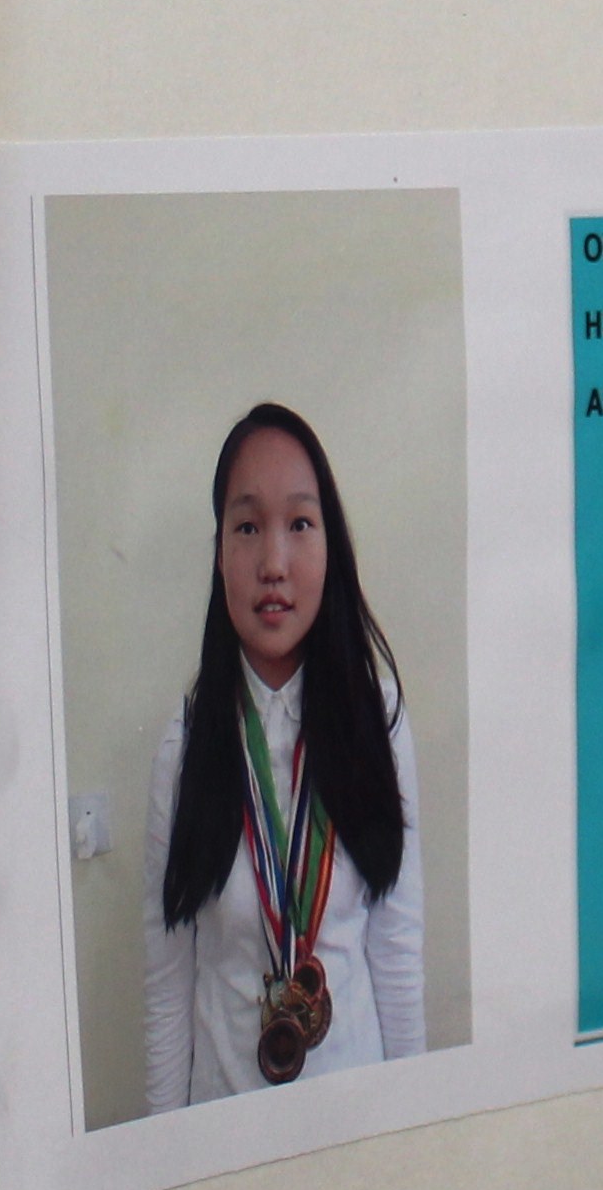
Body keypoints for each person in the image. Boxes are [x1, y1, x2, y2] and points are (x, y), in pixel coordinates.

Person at [139, 402, 427, 1107]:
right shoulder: (185, 747)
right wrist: (168, 1160)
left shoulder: (378, 725)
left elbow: (397, 956)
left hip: (356, 1128)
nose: (273, 563)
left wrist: (415, 1137)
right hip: (226, 1137)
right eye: (247, 528)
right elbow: (167, 992)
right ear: (219, 554)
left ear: (331, 545)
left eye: (299, 524)